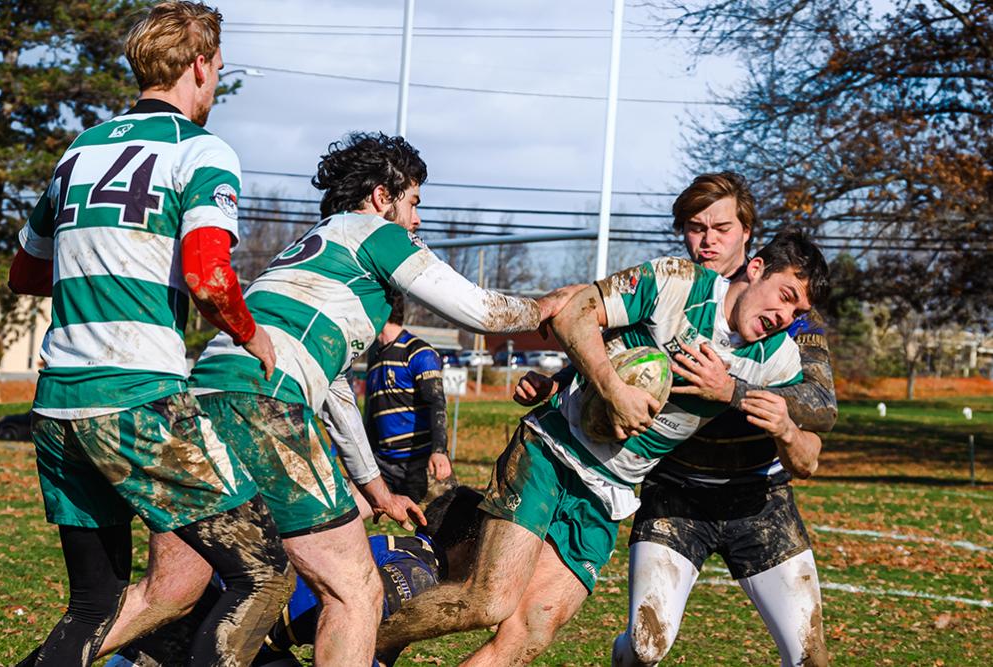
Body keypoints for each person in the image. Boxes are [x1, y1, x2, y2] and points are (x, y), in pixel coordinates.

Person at [96, 131, 583, 665]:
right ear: (382, 195)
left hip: (198, 402)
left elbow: (334, 392)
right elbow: (480, 312)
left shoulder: (311, 252)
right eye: (414, 202)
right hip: (261, 404)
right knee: (355, 591)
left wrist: (377, 492)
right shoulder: (376, 232)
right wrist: (546, 308)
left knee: (169, 592)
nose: (417, 220)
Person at [376, 226, 831, 665]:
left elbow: (810, 450)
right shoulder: (677, 282)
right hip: (552, 452)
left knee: (531, 630)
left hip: (609, 492)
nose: (784, 317)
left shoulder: (777, 356)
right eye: (785, 296)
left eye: (797, 313)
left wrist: (782, 427)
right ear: (755, 269)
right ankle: (361, 644)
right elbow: (576, 312)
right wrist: (613, 390)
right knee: (489, 602)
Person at [7, 3, 294, 665]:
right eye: (217, 68)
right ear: (199, 64)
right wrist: (252, 336)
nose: (216, 82)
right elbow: (209, 278)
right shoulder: (202, 150)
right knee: (264, 572)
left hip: (57, 407)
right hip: (137, 400)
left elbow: (27, 270)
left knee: (94, 608)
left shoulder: (79, 151)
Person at [517, 173, 835, 666]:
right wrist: (559, 381)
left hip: (757, 495)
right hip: (675, 489)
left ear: (748, 237)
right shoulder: (676, 285)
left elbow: (820, 405)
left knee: (810, 655)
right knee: (645, 648)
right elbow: (618, 348)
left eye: (722, 228)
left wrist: (731, 390)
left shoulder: (789, 316)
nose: (707, 241)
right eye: (694, 227)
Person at [104, 486, 486, 667]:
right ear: (470, 547)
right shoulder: (419, 576)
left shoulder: (396, 543)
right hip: (234, 631)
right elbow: (357, 641)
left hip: (220, 600)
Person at [365, 293, 454, 503]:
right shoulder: (374, 357)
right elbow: (370, 416)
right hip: (382, 467)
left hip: (421, 464)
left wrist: (439, 451)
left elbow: (437, 403)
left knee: (449, 528)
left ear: (379, 312)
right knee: (345, 520)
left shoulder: (418, 352)